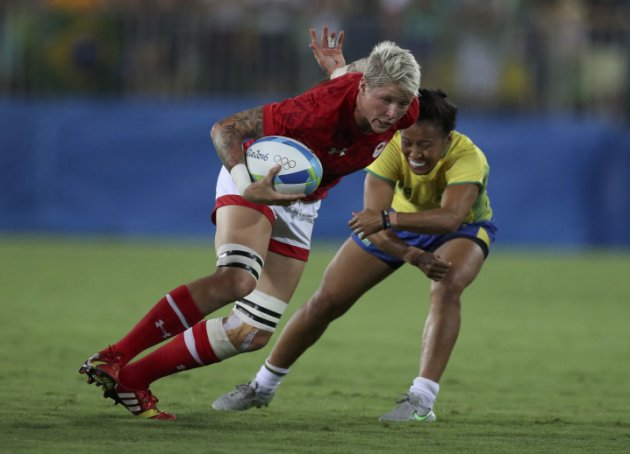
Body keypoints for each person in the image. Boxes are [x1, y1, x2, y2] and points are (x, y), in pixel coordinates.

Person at [78, 26, 421, 420]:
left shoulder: (403, 107)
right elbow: (225, 129)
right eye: (385, 100)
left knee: (251, 333)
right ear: (363, 90)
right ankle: (113, 356)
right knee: (237, 279)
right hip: (256, 175)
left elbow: (381, 79)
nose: (394, 112)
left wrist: (342, 70)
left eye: (402, 102)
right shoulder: (314, 112)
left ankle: (132, 380)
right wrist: (247, 185)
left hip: (302, 202)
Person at [211, 79, 497, 422]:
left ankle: (422, 399)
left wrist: (389, 220)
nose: (416, 154)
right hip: (393, 227)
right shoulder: (390, 146)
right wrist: (409, 252)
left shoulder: (468, 157)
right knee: (324, 301)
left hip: (461, 228)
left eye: (427, 145)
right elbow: (370, 225)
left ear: (448, 141)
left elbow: (449, 218)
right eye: (409, 142)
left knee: (446, 288)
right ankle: (262, 386)